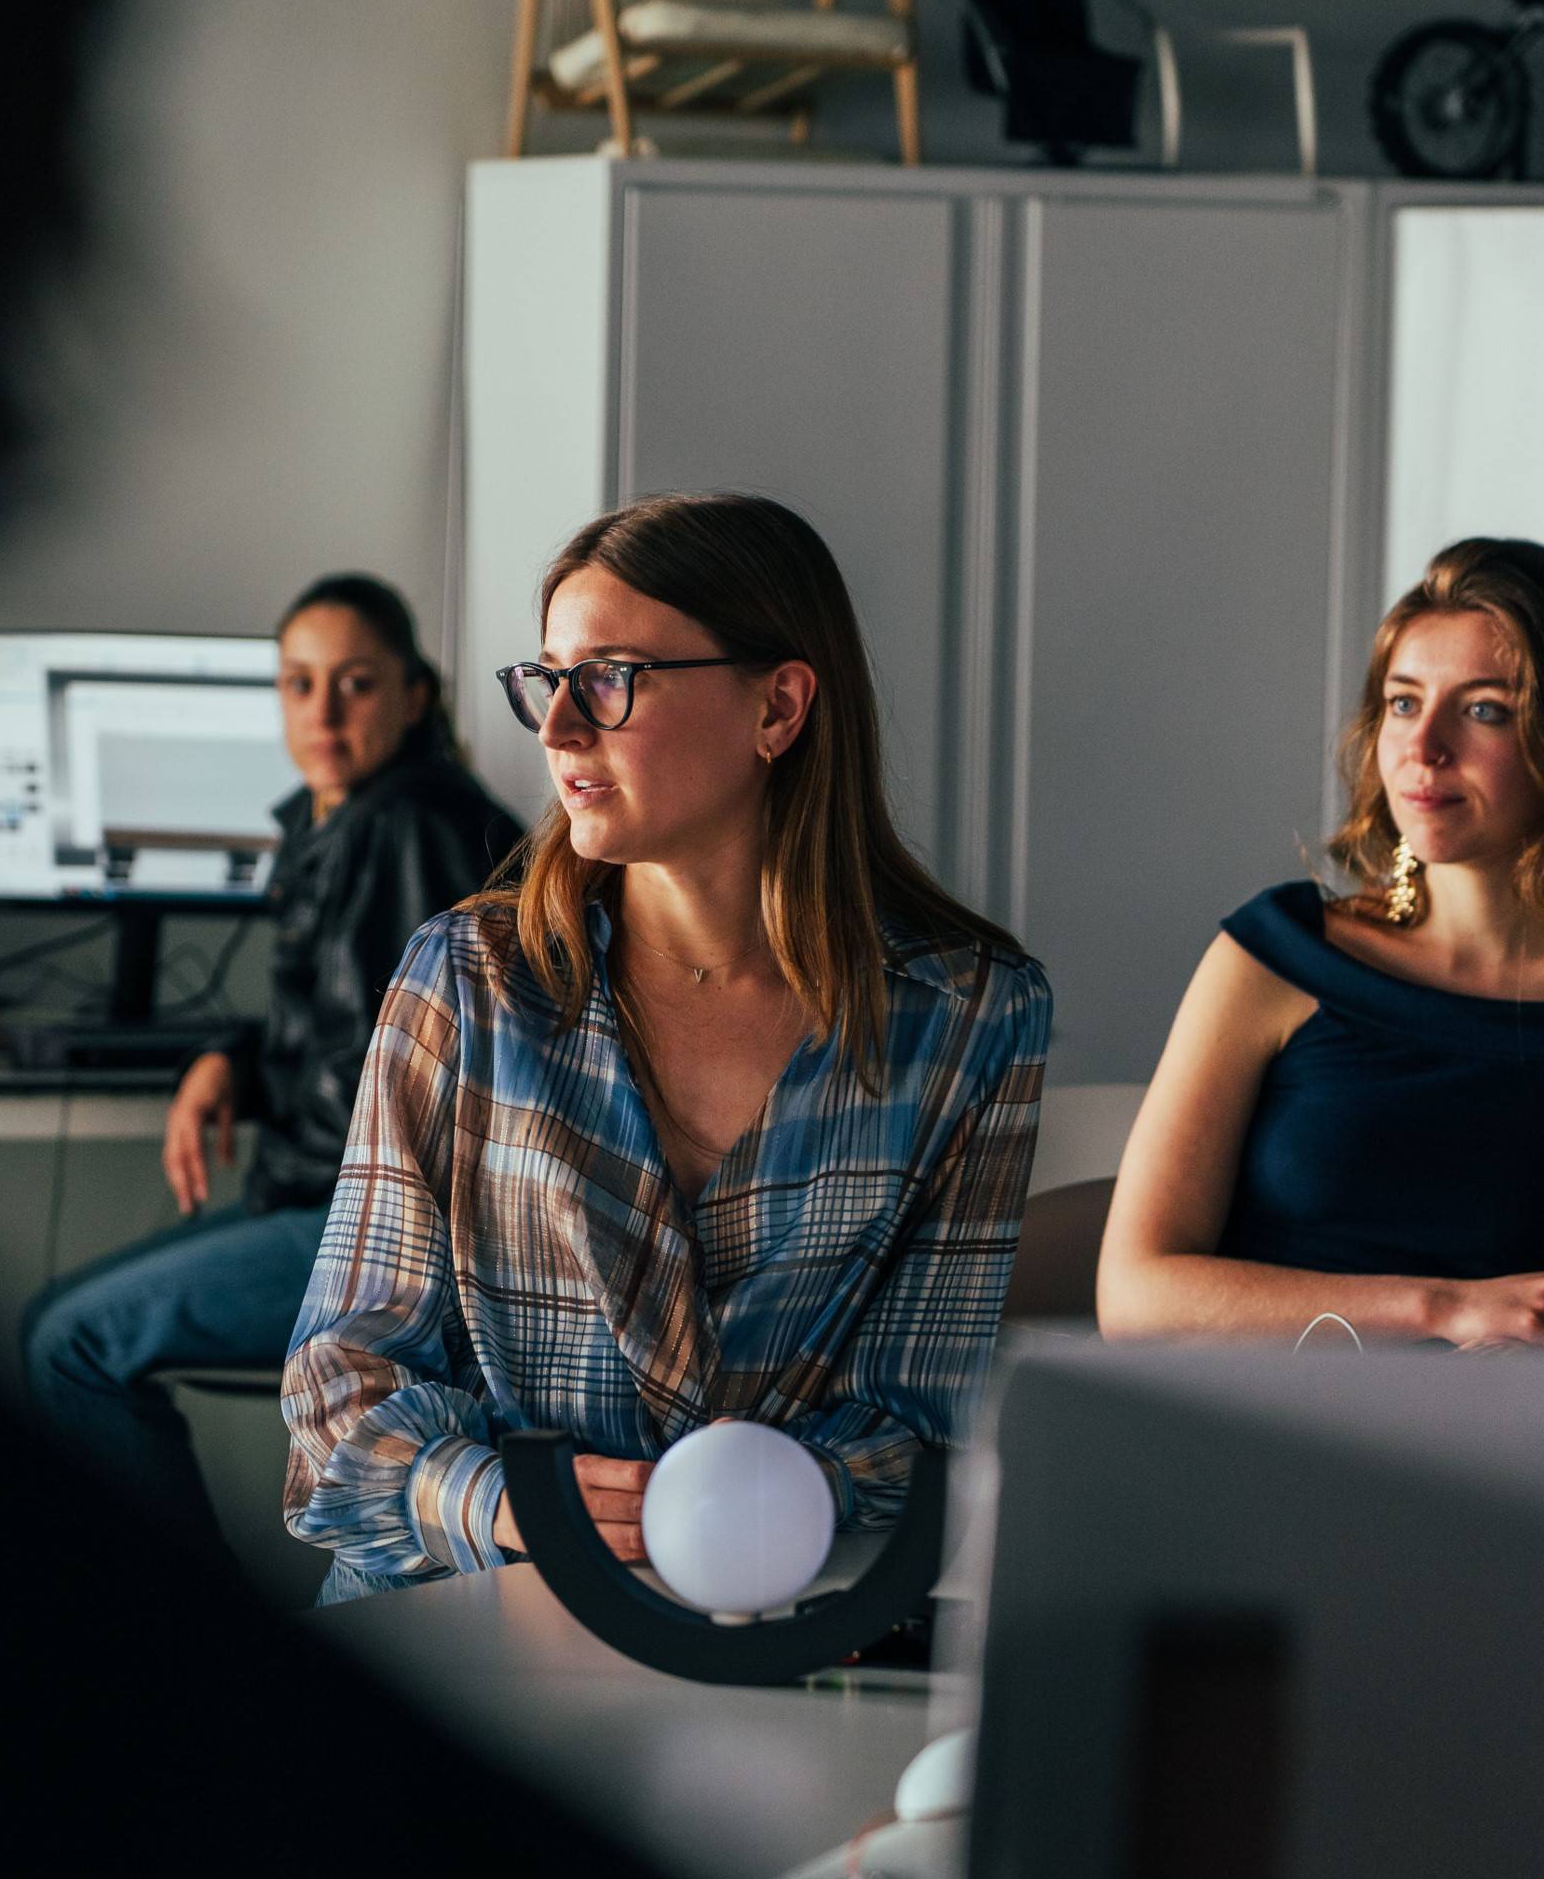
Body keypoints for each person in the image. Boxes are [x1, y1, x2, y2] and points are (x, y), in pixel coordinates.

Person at [282, 492, 1051, 1602]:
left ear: (777, 708)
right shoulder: (468, 977)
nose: (556, 729)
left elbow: (918, 1424)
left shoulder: (968, 1013)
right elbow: (338, 1385)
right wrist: (506, 1502)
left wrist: (753, 1505)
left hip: (770, 1608)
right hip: (459, 1601)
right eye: (547, 678)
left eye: (609, 678)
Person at [21, 574, 522, 1543]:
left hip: (383, 1228)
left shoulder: (408, 825)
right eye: (299, 683)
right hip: (330, 1200)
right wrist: (231, 1059)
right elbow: (350, 1020)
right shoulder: (341, 817)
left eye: (355, 683)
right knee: (60, 1323)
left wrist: (240, 1068)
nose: (322, 712)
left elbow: (402, 1073)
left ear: (414, 694)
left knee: (70, 1344)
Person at [1098, 536, 1544, 1347]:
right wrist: (1444, 1307)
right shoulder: (1277, 955)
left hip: (1489, 1420)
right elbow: (1135, 1297)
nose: (1422, 747)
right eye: (1402, 703)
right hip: (1236, 1403)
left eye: (1483, 710)